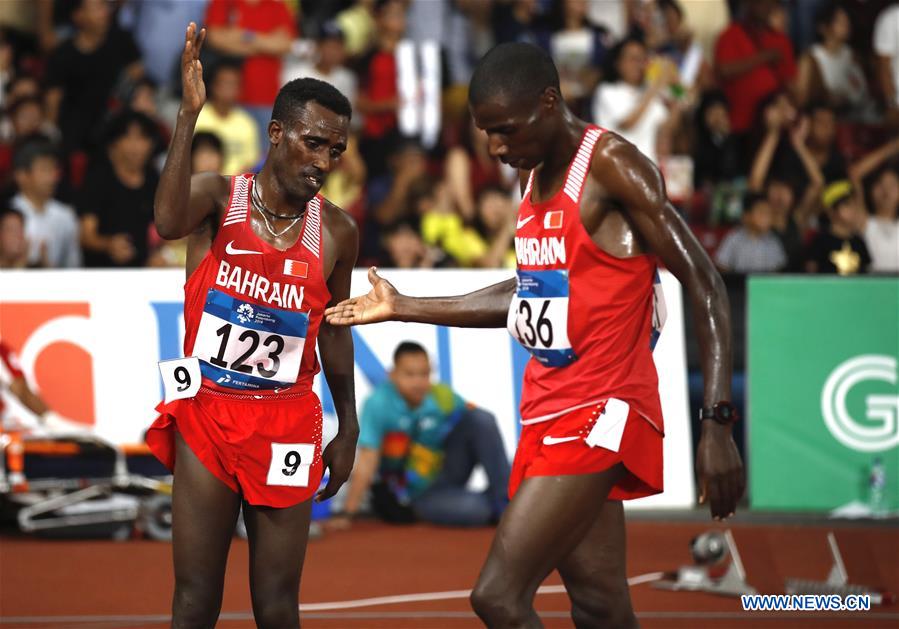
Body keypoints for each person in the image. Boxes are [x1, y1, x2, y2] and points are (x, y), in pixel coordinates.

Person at [326, 42, 743, 627]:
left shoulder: (611, 165)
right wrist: (403, 305)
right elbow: (526, 292)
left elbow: (704, 282)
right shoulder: (531, 178)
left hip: (603, 409)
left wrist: (717, 422)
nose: (497, 147)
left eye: (506, 130)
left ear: (549, 102)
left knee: (497, 595)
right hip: (548, 410)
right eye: (485, 134)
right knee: (599, 603)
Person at [144, 24, 359, 627]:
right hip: (208, 409)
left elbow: (335, 330)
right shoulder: (218, 199)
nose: (324, 162)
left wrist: (348, 424)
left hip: (288, 417)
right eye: (313, 144)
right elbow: (165, 221)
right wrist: (189, 115)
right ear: (276, 133)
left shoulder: (338, 232)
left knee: (276, 604)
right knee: (194, 599)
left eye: (335, 150)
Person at [333, 341, 510, 527]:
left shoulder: (442, 395)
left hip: (448, 471)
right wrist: (347, 513)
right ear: (392, 375)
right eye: (410, 374)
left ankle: (505, 503)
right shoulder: (377, 404)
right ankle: (477, 505)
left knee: (482, 419)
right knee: (477, 510)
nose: (418, 382)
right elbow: (368, 460)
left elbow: (479, 430)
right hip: (414, 493)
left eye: (424, 374)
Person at [77, 110, 159, 268]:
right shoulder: (98, 178)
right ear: (113, 144)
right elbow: (86, 235)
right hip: (102, 272)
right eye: (128, 137)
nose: (135, 146)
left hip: (144, 272)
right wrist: (108, 244)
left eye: (142, 138)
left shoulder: (153, 178)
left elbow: (162, 229)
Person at [714, 0, 796, 137]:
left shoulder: (782, 40)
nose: (765, 7)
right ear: (748, 4)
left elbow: (790, 82)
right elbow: (724, 70)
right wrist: (764, 57)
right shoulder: (729, 35)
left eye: (770, 4)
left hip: (773, 128)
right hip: (738, 126)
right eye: (760, 3)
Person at [10, 138, 81, 268]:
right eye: (44, 169)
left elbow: (73, 267)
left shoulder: (66, 216)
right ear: (22, 176)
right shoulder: (7, 215)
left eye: (54, 169)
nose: (52, 177)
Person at [194, 61, 260, 176]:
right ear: (213, 86)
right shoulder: (198, 117)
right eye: (226, 83)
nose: (230, 89)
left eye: (235, 84)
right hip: (200, 182)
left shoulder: (246, 122)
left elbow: (251, 163)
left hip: (236, 187)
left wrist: (231, 183)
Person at [806, 180, 871, 275]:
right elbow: (810, 273)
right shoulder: (820, 241)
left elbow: (866, 272)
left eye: (854, 205)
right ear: (832, 211)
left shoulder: (859, 241)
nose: (854, 209)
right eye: (847, 205)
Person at [714, 192, 787, 273]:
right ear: (746, 216)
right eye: (762, 213)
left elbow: (779, 269)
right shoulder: (734, 238)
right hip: (739, 284)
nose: (767, 219)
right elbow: (722, 265)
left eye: (769, 214)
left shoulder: (773, 241)